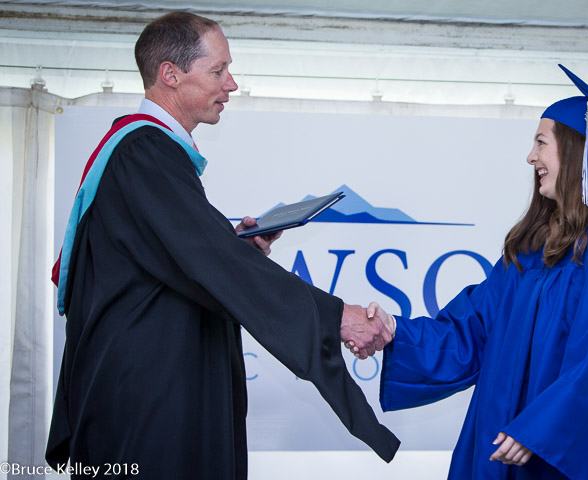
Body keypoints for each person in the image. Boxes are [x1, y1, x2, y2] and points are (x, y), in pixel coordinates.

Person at [46, 11, 397, 479]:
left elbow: (183, 260)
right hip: (148, 405)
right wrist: (336, 316)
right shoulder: (142, 152)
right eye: (218, 71)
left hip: (155, 388)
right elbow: (209, 263)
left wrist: (234, 247)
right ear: (170, 74)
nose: (231, 84)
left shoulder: (147, 154)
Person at [351, 65, 588, 479]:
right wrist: (396, 330)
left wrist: (540, 430)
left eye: (541, 143)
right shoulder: (531, 250)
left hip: (551, 454)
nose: (530, 157)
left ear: (576, 151)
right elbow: (470, 331)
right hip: (499, 443)